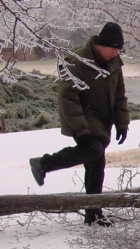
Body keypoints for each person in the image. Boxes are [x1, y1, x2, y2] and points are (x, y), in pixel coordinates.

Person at [29, 22, 130, 226]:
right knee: (93, 151)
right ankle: (43, 163)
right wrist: (80, 129)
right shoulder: (77, 61)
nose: (116, 53)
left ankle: (93, 213)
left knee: (96, 166)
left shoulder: (114, 65)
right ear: (102, 45)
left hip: (103, 122)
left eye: (119, 49)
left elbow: (120, 96)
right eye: (114, 48)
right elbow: (67, 98)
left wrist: (122, 123)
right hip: (83, 118)